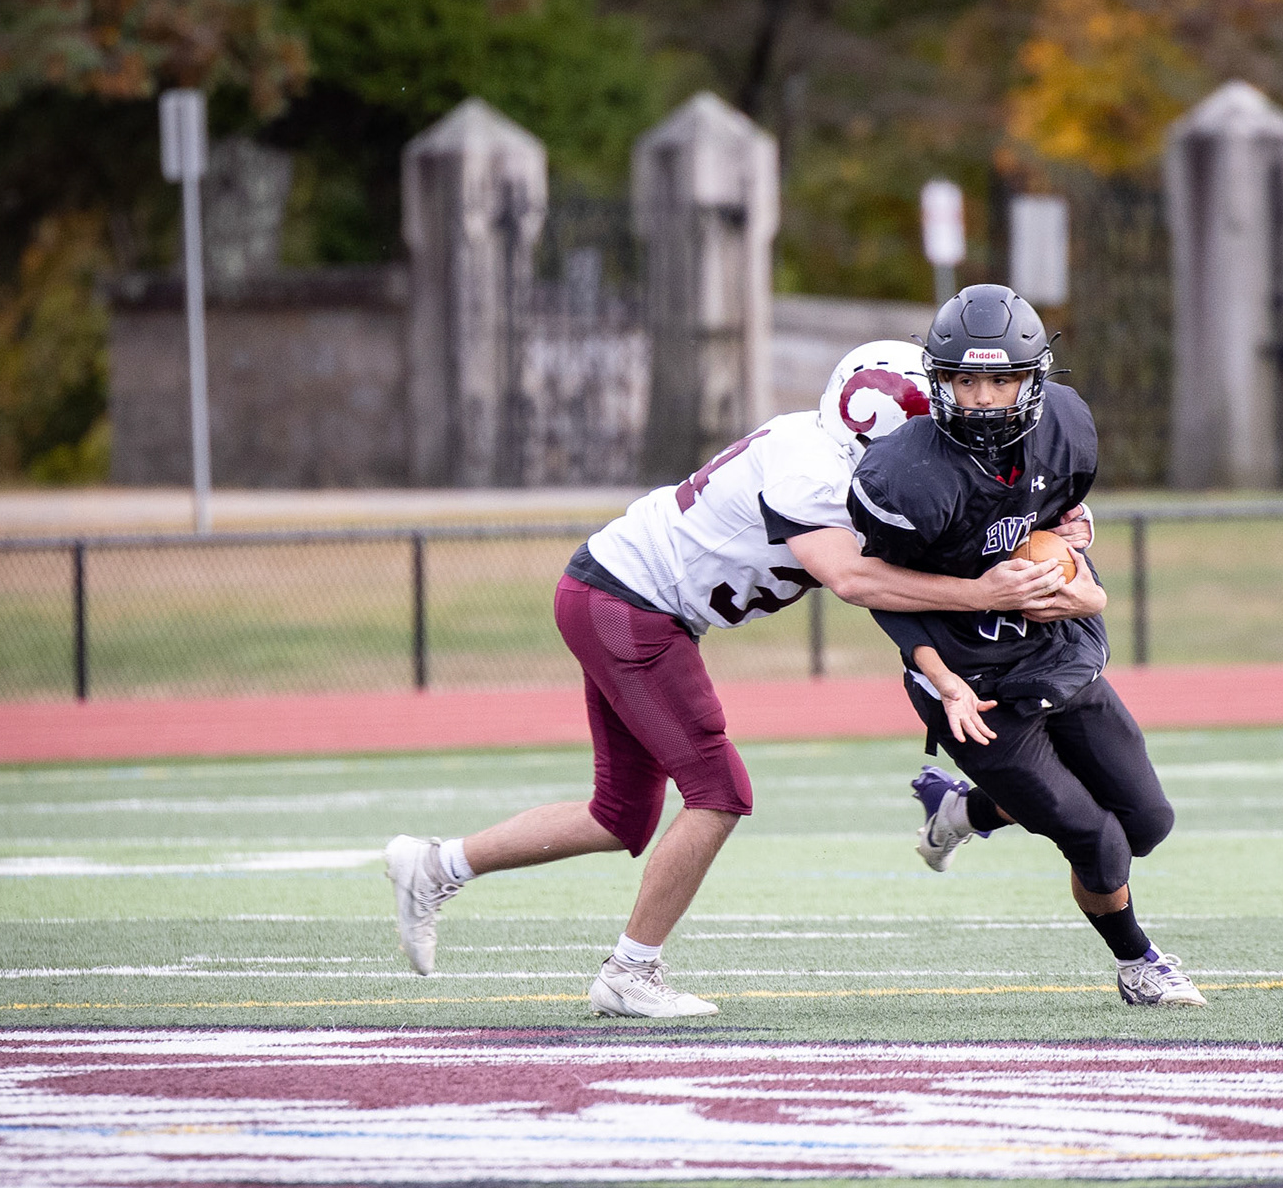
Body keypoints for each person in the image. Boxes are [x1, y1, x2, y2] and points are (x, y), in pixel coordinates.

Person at [383, 339, 1067, 1019]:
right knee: (719, 792)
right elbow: (855, 577)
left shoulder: (825, 442)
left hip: (617, 593)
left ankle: (437, 865)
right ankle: (631, 970)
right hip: (631, 603)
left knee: (620, 815)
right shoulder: (815, 472)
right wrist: (983, 591)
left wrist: (1052, 521)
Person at [847, 284, 1207, 1008]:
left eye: (1002, 378)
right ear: (938, 382)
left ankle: (963, 811)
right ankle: (1139, 962)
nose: (983, 398)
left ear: (1034, 380)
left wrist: (1083, 575)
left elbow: (1055, 520)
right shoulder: (906, 476)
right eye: (966, 380)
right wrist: (939, 677)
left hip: (1051, 649)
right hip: (971, 684)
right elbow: (878, 586)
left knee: (1147, 822)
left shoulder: (1065, 428)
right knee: (1097, 839)